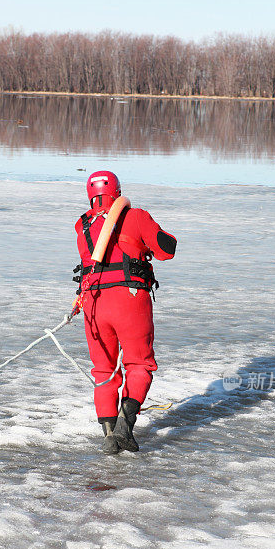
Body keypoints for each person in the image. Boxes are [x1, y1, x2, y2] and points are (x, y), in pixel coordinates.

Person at [73, 170, 177, 454]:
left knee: (104, 370)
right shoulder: (136, 216)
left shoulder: (81, 225)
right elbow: (167, 249)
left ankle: (108, 435)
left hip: (93, 303)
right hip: (129, 300)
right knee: (139, 364)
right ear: (117, 190)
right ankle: (125, 427)